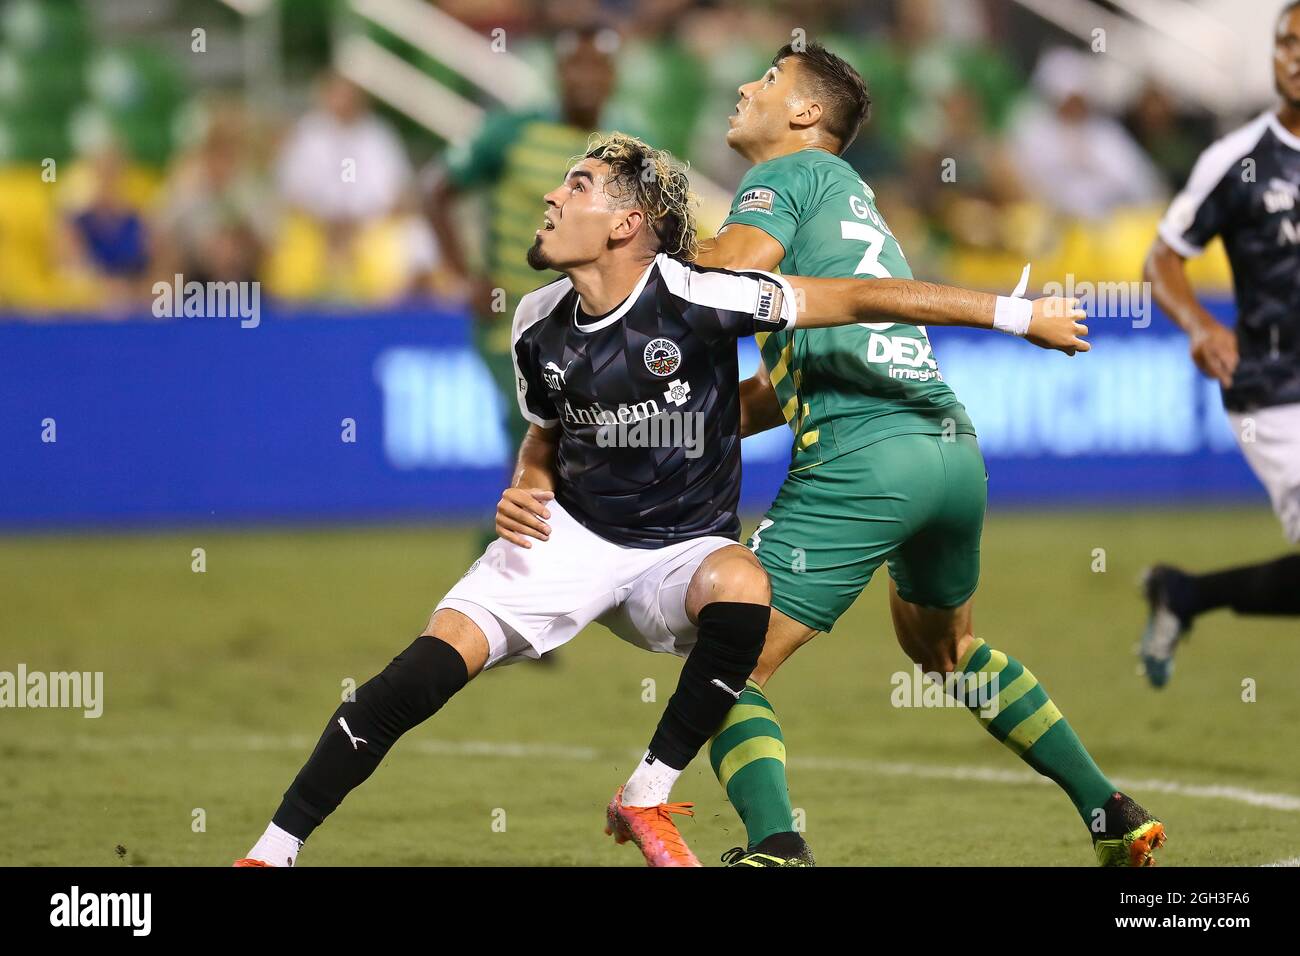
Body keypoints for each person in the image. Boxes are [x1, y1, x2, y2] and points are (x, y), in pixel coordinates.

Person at [237, 131, 1087, 868]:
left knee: (745, 586)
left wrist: (1014, 316)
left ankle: (648, 791)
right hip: (570, 538)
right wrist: (530, 479)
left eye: (575, 186)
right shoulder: (536, 322)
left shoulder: (699, 297)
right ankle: (274, 847)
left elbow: (857, 298)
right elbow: (545, 429)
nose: (549, 194)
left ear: (625, 223)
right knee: (422, 671)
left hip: (679, 556)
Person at [506, 42, 1161, 868]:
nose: (745, 86)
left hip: (865, 459)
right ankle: (1110, 812)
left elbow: (732, 270)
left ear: (806, 116)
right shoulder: (848, 202)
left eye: (770, 80)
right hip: (947, 450)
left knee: (731, 664)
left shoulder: (781, 178)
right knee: (948, 651)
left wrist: (627, 256)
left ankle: (778, 848)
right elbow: (784, 386)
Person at [1140, 1, 1300, 687]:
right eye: (1286, 43)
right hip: (1272, 387)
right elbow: (1163, 259)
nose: (1294, 57)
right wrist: (1202, 327)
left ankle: (1187, 594)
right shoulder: (1238, 161)